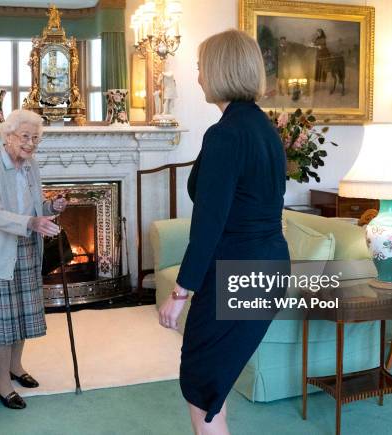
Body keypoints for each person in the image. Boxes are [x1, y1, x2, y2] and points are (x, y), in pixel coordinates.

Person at [158, 29, 289, 435]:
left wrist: (179, 294)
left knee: (201, 388)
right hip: (269, 267)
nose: (197, 75)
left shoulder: (227, 134)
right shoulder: (264, 129)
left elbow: (208, 227)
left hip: (238, 274)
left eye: (200, 66)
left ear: (219, 70)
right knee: (215, 383)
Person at [0, 109, 67, 410]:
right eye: (25, 137)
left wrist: (51, 205)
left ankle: (16, 367)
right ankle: (1, 380)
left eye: (35, 138)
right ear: (8, 135)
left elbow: (35, 204)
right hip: (0, 253)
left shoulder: (30, 165)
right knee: (4, 322)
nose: (30, 144)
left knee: (23, 316)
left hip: (26, 248)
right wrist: (31, 222)